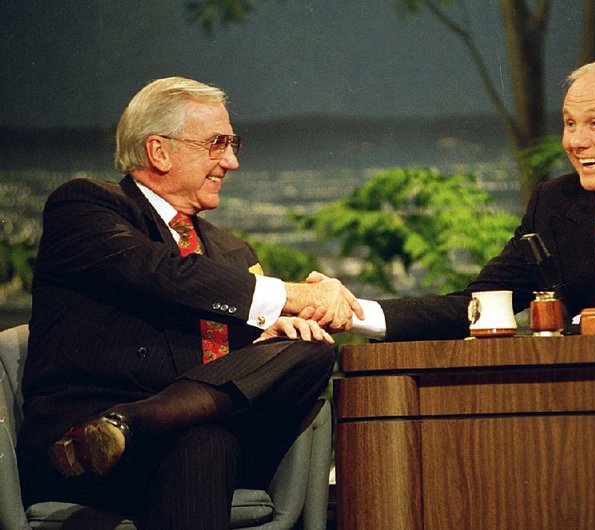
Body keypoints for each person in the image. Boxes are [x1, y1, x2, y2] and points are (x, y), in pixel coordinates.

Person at [17, 76, 363, 530]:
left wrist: (264, 342)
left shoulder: (233, 254)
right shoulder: (86, 207)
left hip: (201, 441)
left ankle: (134, 423)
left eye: (233, 144)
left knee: (311, 349)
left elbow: (231, 367)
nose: (233, 162)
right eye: (218, 144)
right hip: (79, 451)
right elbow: (165, 273)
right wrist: (295, 294)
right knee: (205, 444)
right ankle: (115, 430)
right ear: (159, 151)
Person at [344, 59, 595, 341]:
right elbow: (481, 305)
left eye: (593, 123)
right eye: (570, 124)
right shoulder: (555, 202)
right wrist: (356, 313)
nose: (575, 142)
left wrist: (568, 325)